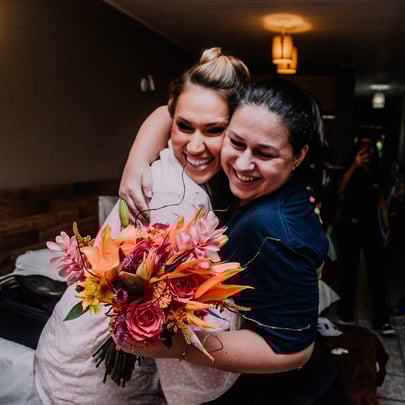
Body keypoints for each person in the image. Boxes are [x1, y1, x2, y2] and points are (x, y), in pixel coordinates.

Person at [32, 47, 250, 405]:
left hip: (68, 350)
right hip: (90, 376)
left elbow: (165, 112)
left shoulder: (188, 175)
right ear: (173, 120)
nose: (196, 145)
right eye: (184, 126)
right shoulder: (177, 199)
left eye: (214, 130)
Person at [120, 77, 340, 404]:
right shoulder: (246, 185)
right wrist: (136, 161)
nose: (243, 164)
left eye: (264, 154)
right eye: (236, 142)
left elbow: (291, 351)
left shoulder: (271, 228)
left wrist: (178, 346)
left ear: (298, 156)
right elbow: (169, 112)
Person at [335, 129, 395, 337]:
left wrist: (386, 226)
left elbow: (382, 201)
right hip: (350, 225)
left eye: (369, 145)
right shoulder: (349, 167)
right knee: (348, 271)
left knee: (376, 272)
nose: (366, 149)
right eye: (362, 145)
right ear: (357, 147)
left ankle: (382, 319)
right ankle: (345, 313)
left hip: (371, 225)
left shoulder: (379, 171)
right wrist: (355, 165)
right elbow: (340, 189)